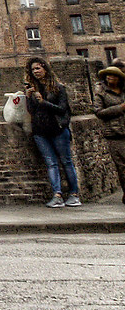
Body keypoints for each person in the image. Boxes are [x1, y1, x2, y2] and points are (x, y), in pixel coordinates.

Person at [23, 56, 80, 208]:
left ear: (45, 68)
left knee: (66, 161)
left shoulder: (58, 87)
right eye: (33, 69)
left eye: (38, 68)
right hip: (40, 131)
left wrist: (43, 102)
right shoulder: (33, 89)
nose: (36, 72)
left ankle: (74, 194)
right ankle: (57, 195)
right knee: (51, 163)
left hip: (58, 129)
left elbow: (63, 109)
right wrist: (29, 99)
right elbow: (32, 111)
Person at [93, 65, 125, 206]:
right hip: (114, 134)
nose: (110, 78)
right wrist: (120, 108)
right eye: (108, 76)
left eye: (113, 75)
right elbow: (99, 112)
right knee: (122, 167)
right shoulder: (102, 94)